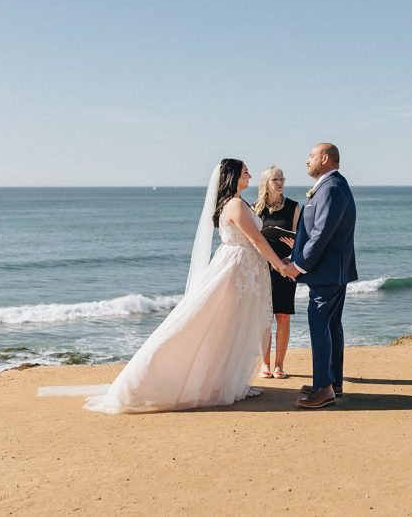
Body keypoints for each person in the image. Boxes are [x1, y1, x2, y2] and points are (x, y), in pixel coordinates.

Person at [40, 159, 291, 413]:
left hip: (243, 268)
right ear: (233, 176)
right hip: (236, 271)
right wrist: (280, 266)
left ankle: (229, 383)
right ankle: (164, 378)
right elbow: (257, 240)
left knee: (232, 326)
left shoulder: (239, 202)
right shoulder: (235, 204)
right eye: (245, 171)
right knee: (218, 324)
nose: (249, 174)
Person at [285, 143, 357, 410]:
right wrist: (294, 257)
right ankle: (331, 382)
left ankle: (324, 389)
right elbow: (314, 230)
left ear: (325, 159)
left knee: (320, 324)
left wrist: (299, 265)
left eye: (311, 156)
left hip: (327, 271)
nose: (307, 161)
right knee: (330, 325)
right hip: (331, 270)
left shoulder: (332, 188)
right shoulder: (329, 186)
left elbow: (322, 233)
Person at [252, 166, 301, 379]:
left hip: (285, 266)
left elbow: (302, 239)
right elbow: (250, 239)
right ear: (266, 183)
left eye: (282, 179)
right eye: (275, 179)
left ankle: (279, 365)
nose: (280, 183)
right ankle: (265, 363)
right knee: (264, 318)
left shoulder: (294, 207)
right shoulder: (255, 209)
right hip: (262, 268)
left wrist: (292, 252)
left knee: (283, 316)